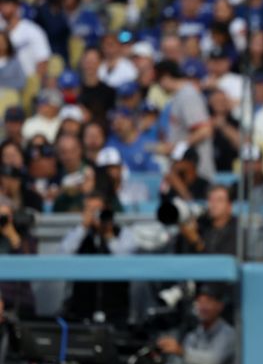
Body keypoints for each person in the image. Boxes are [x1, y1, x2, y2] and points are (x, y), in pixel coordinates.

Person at [59, 191, 137, 326]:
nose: (95, 215)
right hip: (82, 308)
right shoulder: (79, 233)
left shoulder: (123, 234)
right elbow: (64, 254)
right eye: (90, 210)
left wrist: (108, 235)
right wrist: (83, 227)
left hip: (115, 309)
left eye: (98, 210)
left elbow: (124, 260)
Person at [157, 283, 235, 364]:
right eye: (200, 302)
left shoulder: (228, 333)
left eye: (208, 302)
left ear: (220, 306)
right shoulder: (193, 335)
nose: (203, 307)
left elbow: (214, 361)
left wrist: (181, 351)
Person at [155, 60, 215, 180]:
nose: (158, 85)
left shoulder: (188, 96)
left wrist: (176, 146)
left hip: (197, 172)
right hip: (185, 171)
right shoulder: (180, 96)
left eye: (158, 79)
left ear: (165, 76)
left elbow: (205, 130)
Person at [171, 185, 237, 255]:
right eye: (210, 200)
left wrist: (196, 241)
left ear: (229, 206)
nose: (213, 204)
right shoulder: (201, 224)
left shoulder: (237, 230)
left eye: (219, 200)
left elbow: (221, 261)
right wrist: (184, 235)